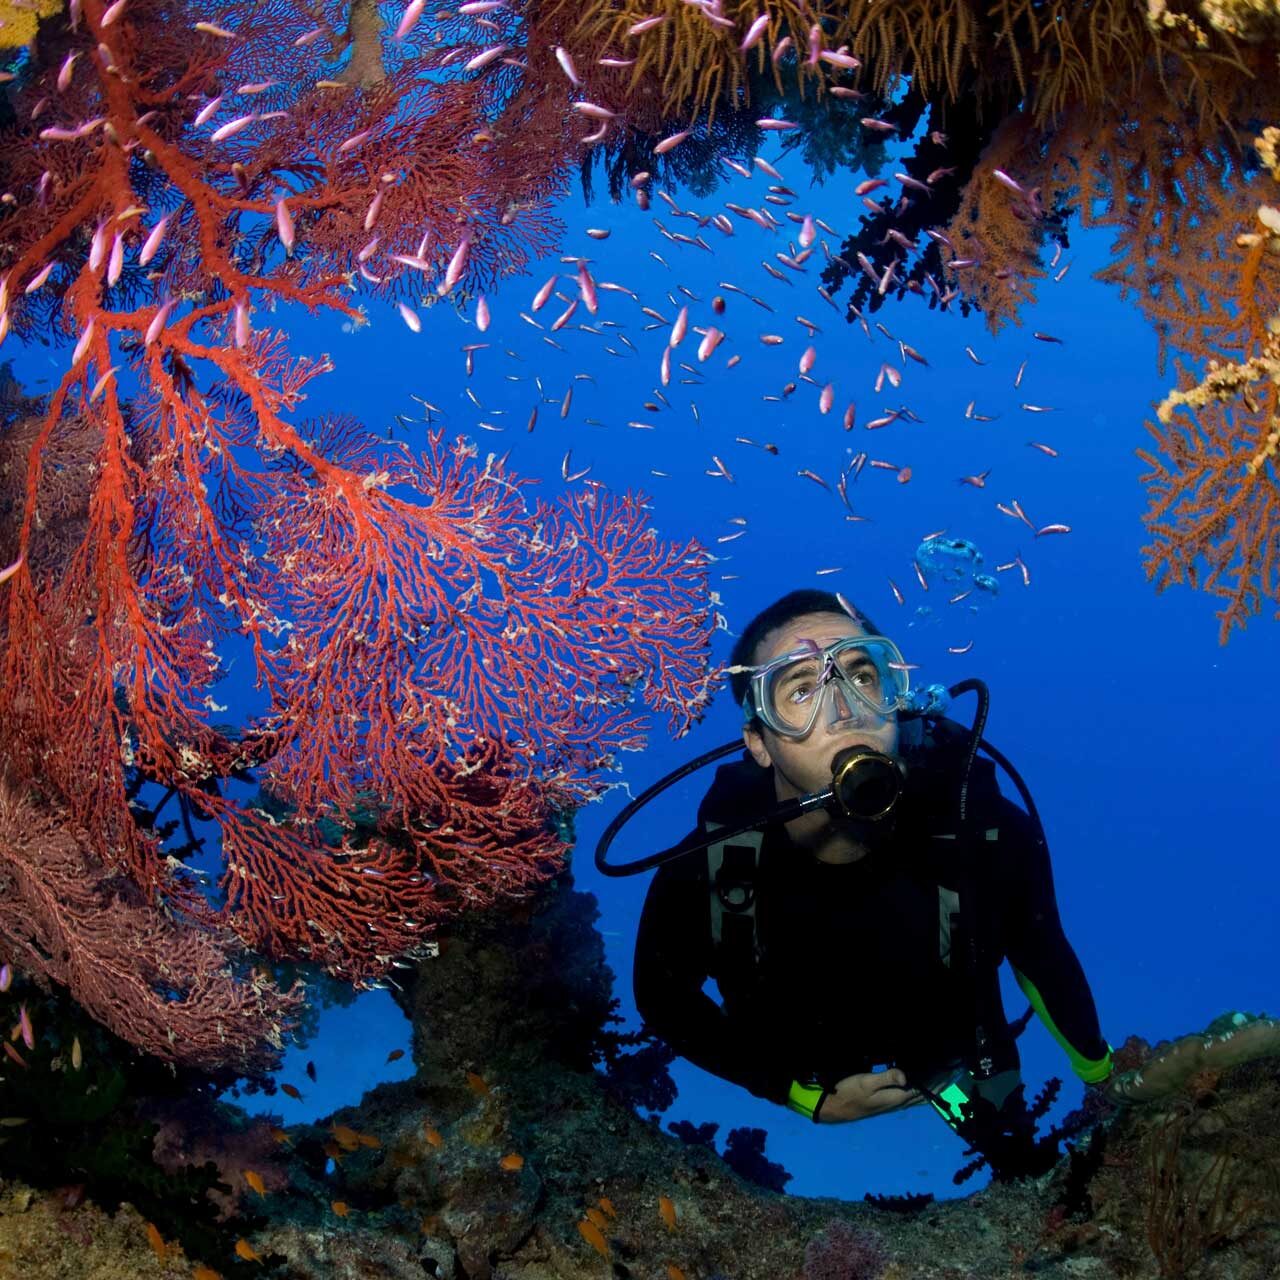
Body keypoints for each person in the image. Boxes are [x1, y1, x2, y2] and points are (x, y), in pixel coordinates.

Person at [632, 589, 1114, 1129]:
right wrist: (798, 1094)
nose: (844, 709)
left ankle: (994, 1133)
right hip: (806, 1070)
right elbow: (662, 995)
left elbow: (1041, 955)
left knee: (1001, 1136)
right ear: (759, 740)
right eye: (801, 689)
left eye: (863, 677)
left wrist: (1106, 1079)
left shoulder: (981, 830)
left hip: (941, 1070)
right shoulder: (713, 863)